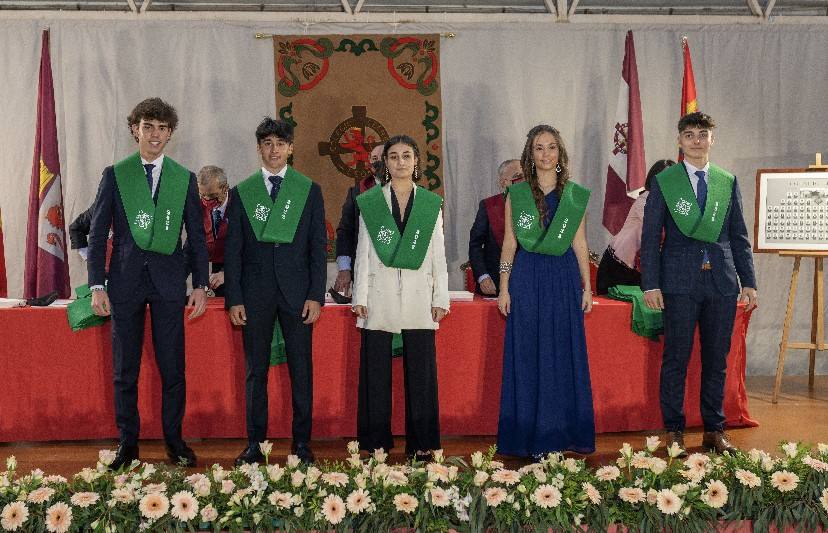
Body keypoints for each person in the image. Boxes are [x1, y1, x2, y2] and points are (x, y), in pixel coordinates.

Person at [88, 97, 208, 469]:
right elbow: (96, 234)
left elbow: (197, 237)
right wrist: (96, 285)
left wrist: (201, 283)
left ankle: (174, 440)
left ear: (170, 133)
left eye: (162, 128)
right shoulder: (115, 174)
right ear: (134, 129)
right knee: (125, 369)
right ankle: (128, 444)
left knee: (173, 368)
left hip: (170, 284)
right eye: (147, 127)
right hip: (124, 283)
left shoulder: (183, 178)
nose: (154, 134)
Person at [641, 112, 757, 455]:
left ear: (712, 139)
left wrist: (748, 281)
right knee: (676, 358)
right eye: (688, 135)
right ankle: (674, 431)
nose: (696, 140)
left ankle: (714, 430)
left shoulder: (727, 181)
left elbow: (738, 236)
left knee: (717, 360)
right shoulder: (666, 182)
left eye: (702, 134)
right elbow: (650, 240)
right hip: (677, 283)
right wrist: (651, 284)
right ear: (679, 141)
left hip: (721, 282)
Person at [224, 117, 326, 465]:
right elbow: (232, 251)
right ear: (259, 148)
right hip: (254, 295)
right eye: (267, 143)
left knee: (301, 369)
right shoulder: (242, 192)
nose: (274, 150)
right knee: (256, 371)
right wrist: (234, 297)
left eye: (280, 143)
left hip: (298, 295)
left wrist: (316, 294)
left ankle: (301, 444)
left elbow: (317, 248)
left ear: (291, 148)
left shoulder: (308, 190)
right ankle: (255, 444)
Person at [496, 124, 595, 457]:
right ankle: (527, 435)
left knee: (560, 354)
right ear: (530, 153)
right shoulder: (517, 194)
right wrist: (504, 287)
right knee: (528, 354)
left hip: (563, 278)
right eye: (539, 148)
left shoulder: (574, 195)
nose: (546, 154)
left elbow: (580, 242)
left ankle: (558, 434)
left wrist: (587, 286)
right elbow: (509, 244)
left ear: (560, 153)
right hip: (526, 278)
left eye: (551, 147)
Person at [352, 134, 449, 460]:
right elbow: (363, 251)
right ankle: (376, 444)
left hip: (420, 295)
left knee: (422, 374)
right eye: (394, 157)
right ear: (385, 164)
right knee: (375, 373)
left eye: (407, 156)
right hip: (378, 294)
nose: (400, 162)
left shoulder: (430, 203)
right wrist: (360, 296)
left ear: (416, 162)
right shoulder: (371, 202)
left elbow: (438, 253)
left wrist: (441, 298)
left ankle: (422, 445)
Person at [596, 159, 676, 295]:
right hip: (618, 266)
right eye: (662, 177)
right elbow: (658, 226)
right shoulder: (644, 200)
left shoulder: (673, 205)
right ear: (653, 178)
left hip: (642, 269)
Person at [333, 143, 384, 297]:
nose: (378, 161)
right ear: (370, 164)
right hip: (365, 275)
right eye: (374, 158)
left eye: (383, 157)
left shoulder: (411, 192)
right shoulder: (357, 193)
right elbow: (345, 232)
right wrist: (344, 269)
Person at [468, 159, 523, 296]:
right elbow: (475, 245)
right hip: (494, 284)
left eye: (527, 175)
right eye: (517, 176)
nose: (524, 181)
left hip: (530, 284)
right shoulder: (489, 206)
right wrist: (483, 276)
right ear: (503, 182)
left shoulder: (539, 206)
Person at [196, 165, 231, 297]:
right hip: (216, 264)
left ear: (225, 188)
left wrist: (226, 272)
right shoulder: (198, 206)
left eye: (213, 195)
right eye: (203, 195)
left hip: (240, 266)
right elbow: (193, 245)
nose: (207, 200)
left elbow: (250, 247)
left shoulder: (240, 204)